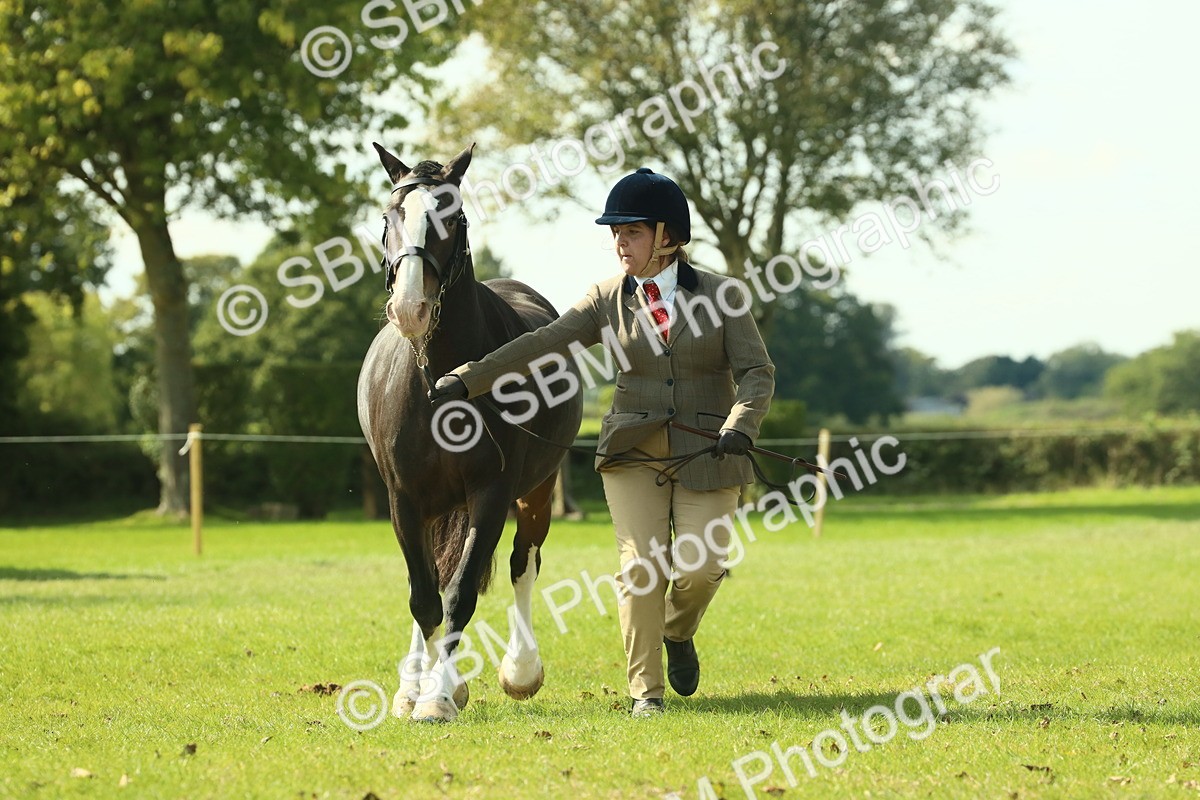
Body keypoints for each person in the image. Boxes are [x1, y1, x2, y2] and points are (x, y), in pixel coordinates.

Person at [428, 167, 775, 717]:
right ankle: (646, 694)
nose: (619, 242)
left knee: (702, 568)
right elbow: (543, 341)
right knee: (641, 568)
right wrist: (471, 376)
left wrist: (740, 425)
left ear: (668, 236)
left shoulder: (721, 295)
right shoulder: (605, 298)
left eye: (632, 231)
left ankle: (677, 633)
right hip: (633, 450)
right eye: (615, 232)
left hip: (710, 449)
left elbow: (757, 373)